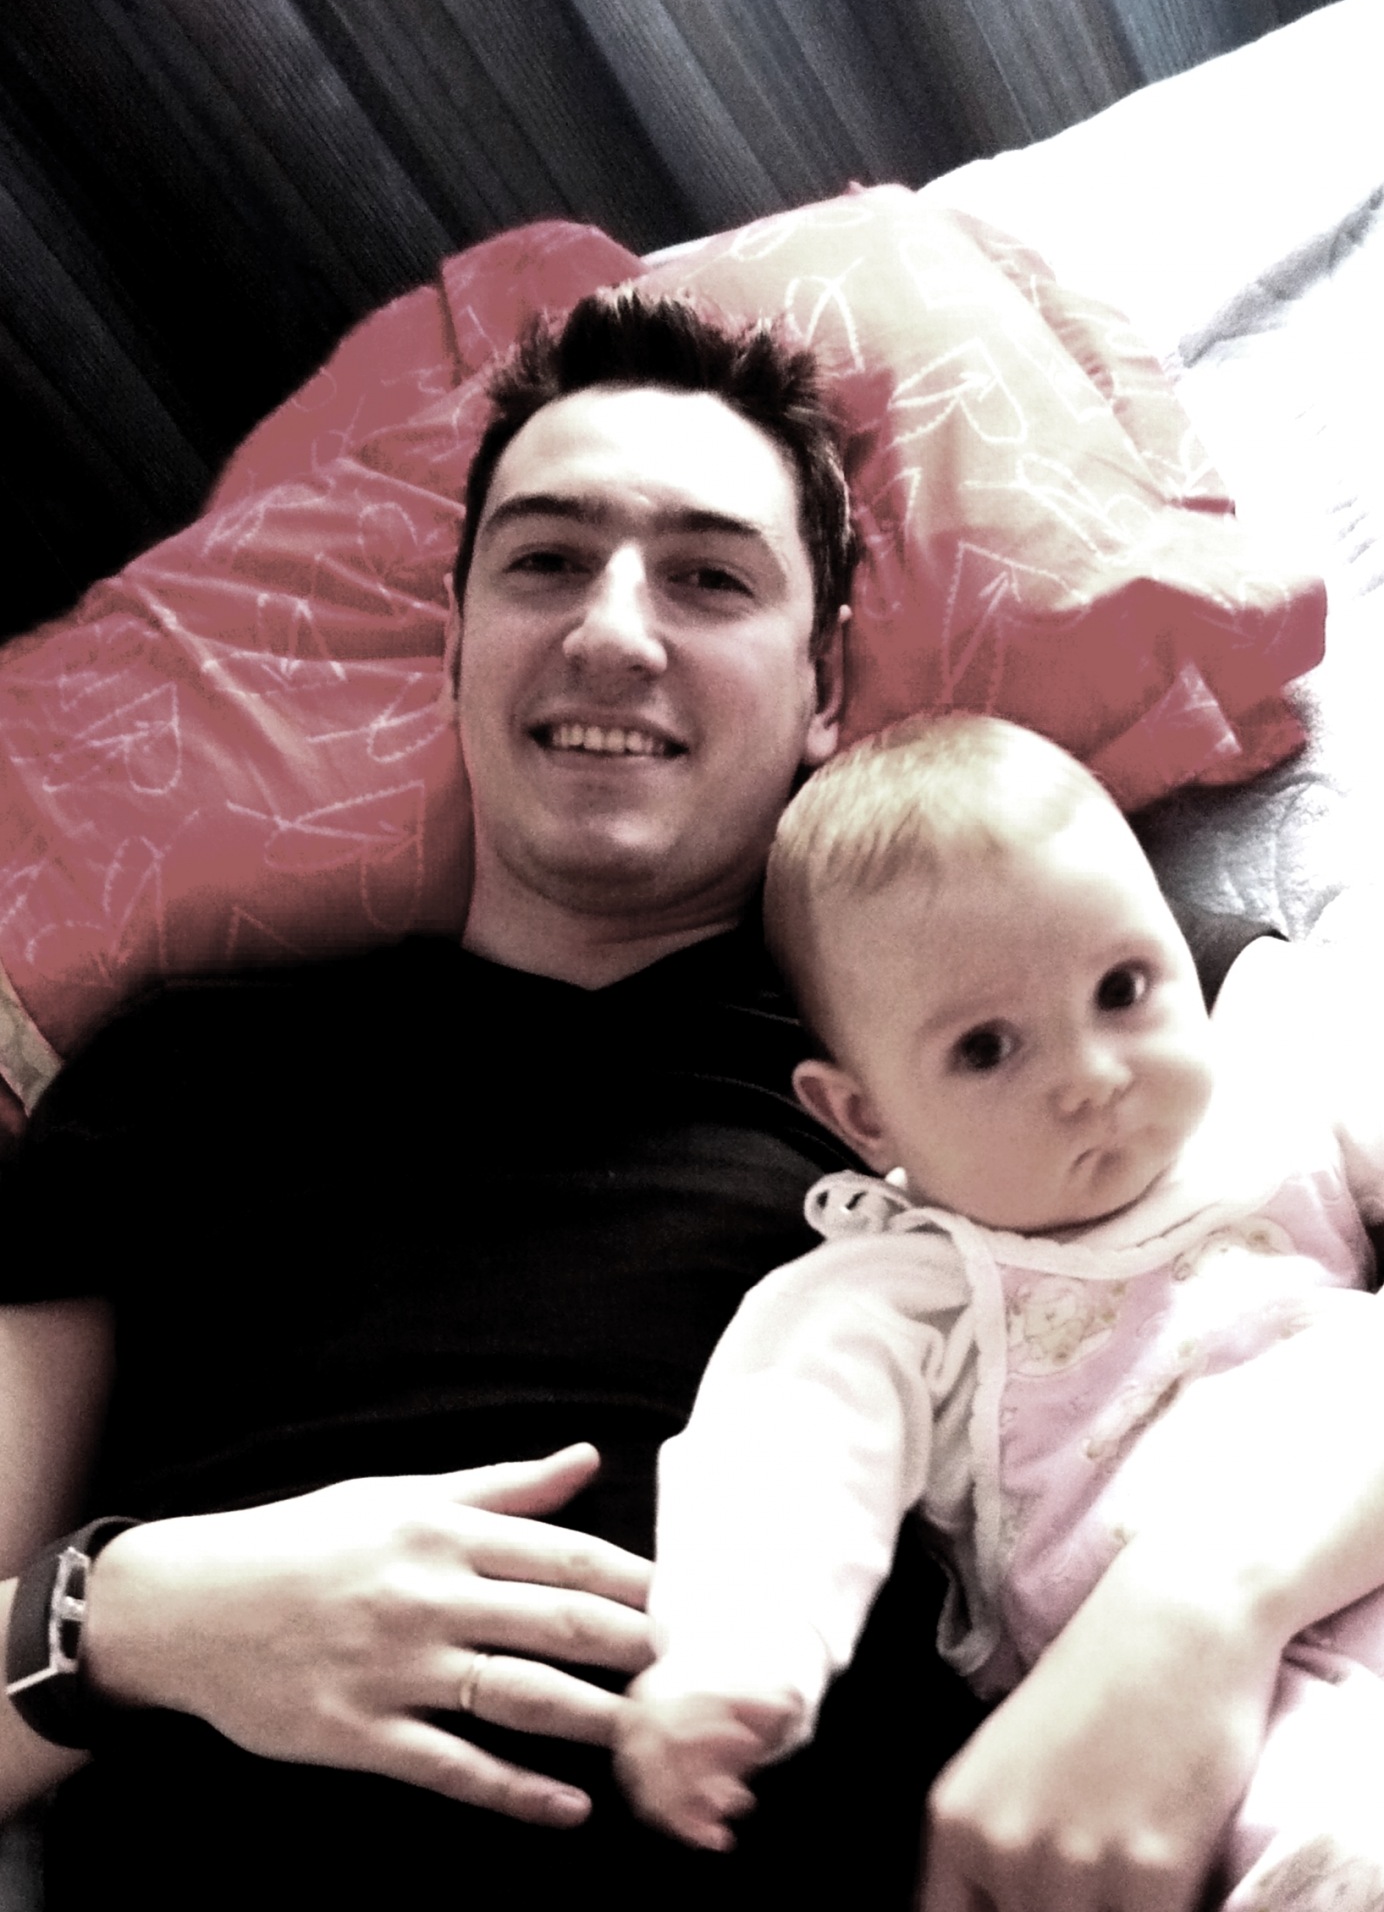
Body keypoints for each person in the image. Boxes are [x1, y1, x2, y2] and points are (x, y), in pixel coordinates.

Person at [0, 288, 1377, 1912]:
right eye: (544, 561)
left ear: (819, 687)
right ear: (457, 647)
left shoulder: (1046, 1007)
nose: (611, 631)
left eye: (709, 576)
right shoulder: (179, 1070)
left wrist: (1202, 1603)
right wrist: (126, 1619)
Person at [616, 712, 1384, 1908]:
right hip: (1221, 1737)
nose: (1090, 1074)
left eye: (1122, 987)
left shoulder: (1276, 1100)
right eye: (986, 1048)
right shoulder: (892, 1293)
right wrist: (733, 1657)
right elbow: (780, 1465)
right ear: (863, 1116)